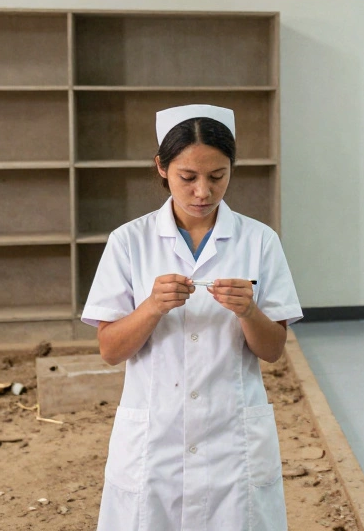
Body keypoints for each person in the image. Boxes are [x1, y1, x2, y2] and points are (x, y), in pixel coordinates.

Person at [81, 104, 302, 530]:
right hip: (155, 438)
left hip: (231, 436)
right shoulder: (129, 241)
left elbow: (273, 350)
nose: (203, 191)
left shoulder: (259, 240)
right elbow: (110, 350)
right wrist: (151, 307)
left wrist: (248, 311)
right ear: (161, 167)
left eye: (217, 176)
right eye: (188, 177)